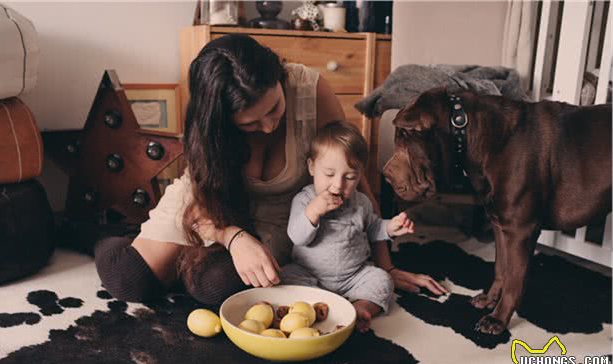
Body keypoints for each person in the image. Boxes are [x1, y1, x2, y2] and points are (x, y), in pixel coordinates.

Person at [94, 33, 447, 305]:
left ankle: (195, 260)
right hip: (210, 206)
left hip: (284, 215)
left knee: (220, 287)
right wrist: (232, 237)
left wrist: (385, 266)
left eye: (274, 109)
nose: (267, 127)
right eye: (250, 124)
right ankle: (110, 233)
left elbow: (354, 177)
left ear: (279, 78)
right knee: (129, 279)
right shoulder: (210, 127)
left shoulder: (310, 90)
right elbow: (200, 197)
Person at [283, 121, 416, 332]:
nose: (338, 185)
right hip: (310, 275)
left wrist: (391, 227)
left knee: (382, 279)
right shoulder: (304, 200)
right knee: (286, 276)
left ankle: (359, 308)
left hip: (354, 276)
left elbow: (373, 229)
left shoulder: (361, 202)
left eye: (350, 177)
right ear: (311, 167)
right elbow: (297, 237)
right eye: (328, 174)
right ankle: (309, 309)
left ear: (360, 175)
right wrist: (314, 212)